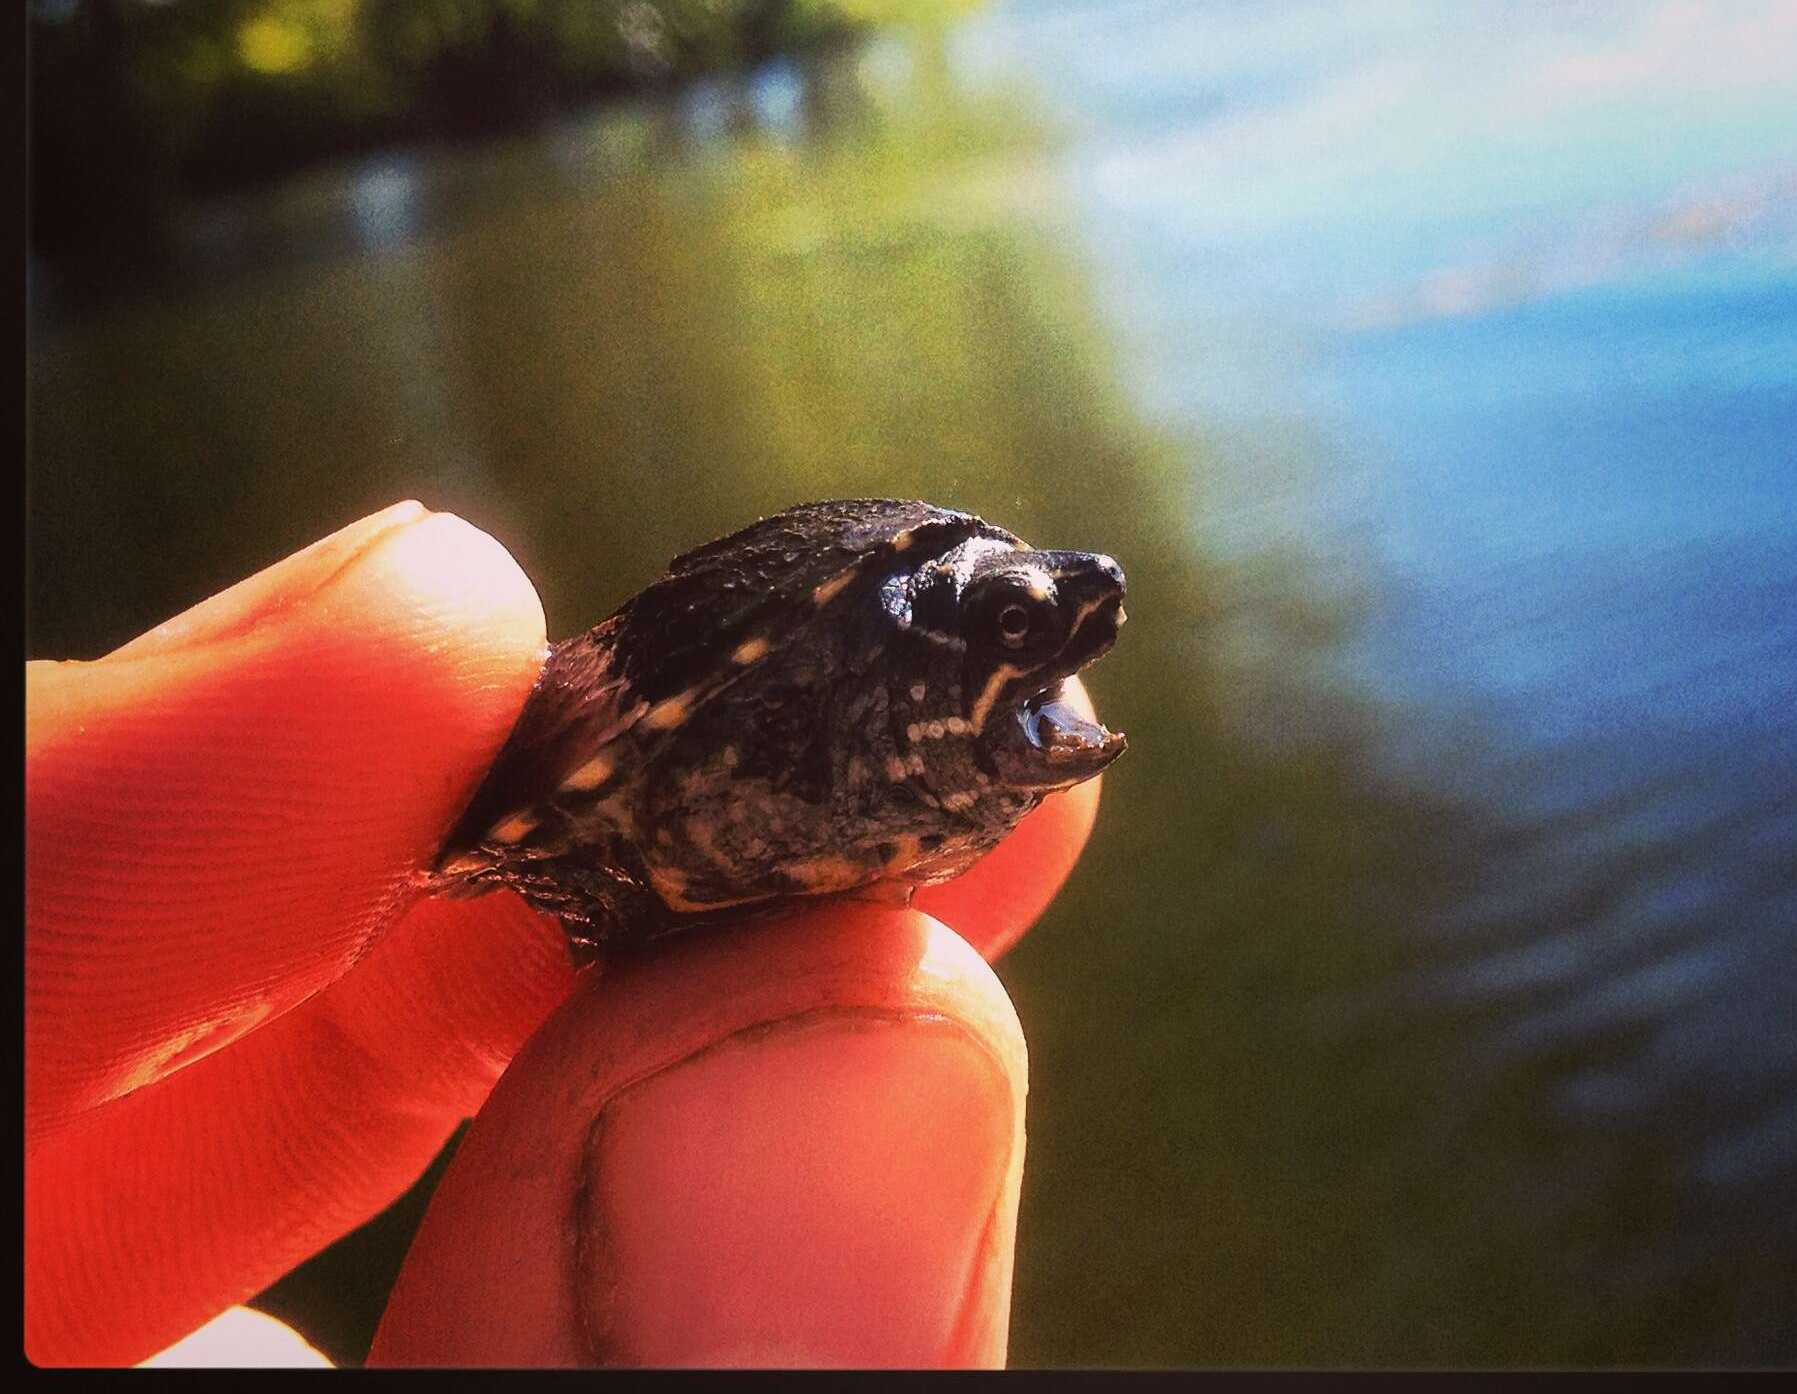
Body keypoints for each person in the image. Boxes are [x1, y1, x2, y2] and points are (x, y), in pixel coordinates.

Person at [26, 502, 1104, 1367]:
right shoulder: (866, 620)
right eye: (1018, 624)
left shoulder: (978, 737)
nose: (1064, 638)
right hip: (643, 816)